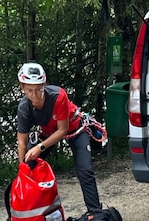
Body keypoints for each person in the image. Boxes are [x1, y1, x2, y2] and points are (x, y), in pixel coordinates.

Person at [16, 62, 102, 211]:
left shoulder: (58, 96)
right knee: (29, 165)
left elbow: (63, 130)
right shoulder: (24, 108)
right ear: (22, 87)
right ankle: (33, 212)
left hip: (75, 128)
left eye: (38, 89)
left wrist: (40, 147)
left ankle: (95, 212)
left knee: (85, 169)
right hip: (48, 132)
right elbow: (22, 143)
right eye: (29, 90)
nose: (34, 95)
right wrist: (23, 169)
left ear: (44, 84)